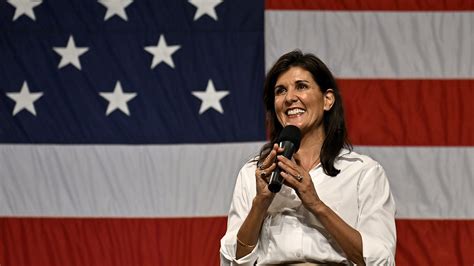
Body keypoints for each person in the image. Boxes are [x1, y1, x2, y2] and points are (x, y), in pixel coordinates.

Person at [220, 50, 396, 265]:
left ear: (327, 100)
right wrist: (261, 202)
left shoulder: (363, 172)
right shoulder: (254, 173)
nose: (289, 98)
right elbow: (231, 261)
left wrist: (316, 204)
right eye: (280, 90)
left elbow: (381, 260)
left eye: (301, 86)